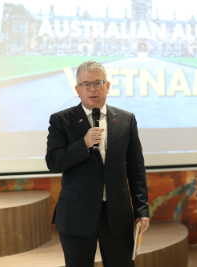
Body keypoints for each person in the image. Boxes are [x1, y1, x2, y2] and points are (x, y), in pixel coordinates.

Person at [46, 60, 150, 267]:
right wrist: (83, 144)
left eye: (97, 83)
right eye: (86, 85)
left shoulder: (126, 119)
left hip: (117, 214)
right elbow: (54, 161)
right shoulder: (61, 120)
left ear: (108, 86)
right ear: (78, 90)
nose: (92, 89)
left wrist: (141, 211)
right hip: (77, 214)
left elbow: (136, 170)